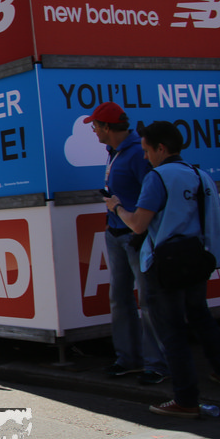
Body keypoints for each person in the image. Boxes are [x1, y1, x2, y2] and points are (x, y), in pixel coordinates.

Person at [106, 120, 220, 418]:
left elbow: (138, 224)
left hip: (165, 263)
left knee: (172, 330)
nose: (145, 156)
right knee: (200, 315)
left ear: (161, 148)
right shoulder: (201, 175)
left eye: (147, 150)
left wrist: (116, 207)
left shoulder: (158, 177)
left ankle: (186, 400)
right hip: (199, 258)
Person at [85, 103, 169, 385]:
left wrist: (133, 223)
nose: (93, 131)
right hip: (115, 233)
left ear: (107, 127)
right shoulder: (115, 152)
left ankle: (157, 364)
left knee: (148, 300)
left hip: (137, 237)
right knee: (120, 299)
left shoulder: (137, 153)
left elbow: (153, 194)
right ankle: (128, 359)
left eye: (95, 126)